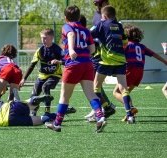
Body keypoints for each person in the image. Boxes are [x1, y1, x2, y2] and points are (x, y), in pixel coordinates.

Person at [46, 5, 106, 133]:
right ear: (79, 17)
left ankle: (57, 124)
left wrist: (72, 49)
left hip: (73, 64)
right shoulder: (86, 30)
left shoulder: (67, 27)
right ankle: (100, 117)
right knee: (91, 93)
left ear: (66, 18)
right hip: (87, 64)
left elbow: (71, 34)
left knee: (64, 95)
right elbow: (92, 49)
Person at [113, 24, 167, 122]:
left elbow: (118, 57)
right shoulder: (141, 46)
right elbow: (154, 54)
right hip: (140, 72)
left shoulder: (127, 45)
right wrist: (165, 62)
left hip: (130, 70)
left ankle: (131, 108)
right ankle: (131, 115)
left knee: (116, 92)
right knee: (126, 93)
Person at [90, 5, 134, 124]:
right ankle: (129, 115)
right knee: (123, 88)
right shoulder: (119, 26)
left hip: (107, 60)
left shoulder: (101, 24)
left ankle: (100, 113)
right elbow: (125, 42)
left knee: (95, 87)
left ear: (103, 16)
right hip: (120, 59)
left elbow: (89, 35)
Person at [19, 28, 76, 116]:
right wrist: (24, 79)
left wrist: (59, 62)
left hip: (55, 75)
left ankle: (47, 112)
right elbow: (32, 65)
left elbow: (67, 61)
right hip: (42, 76)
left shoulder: (58, 50)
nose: (43, 40)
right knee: (34, 96)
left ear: (51, 38)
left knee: (46, 87)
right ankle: (34, 111)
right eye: (42, 38)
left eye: (45, 38)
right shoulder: (40, 50)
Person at [85, 0, 116, 122]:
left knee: (93, 83)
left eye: (99, 3)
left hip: (102, 54)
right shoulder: (97, 13)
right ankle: (104, 107)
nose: (97, 6)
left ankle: (103, 108)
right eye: (95, 4)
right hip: (96, 52)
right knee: (94, 83)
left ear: (106, 2)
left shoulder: (108, 16)